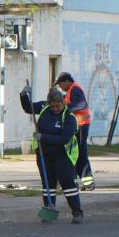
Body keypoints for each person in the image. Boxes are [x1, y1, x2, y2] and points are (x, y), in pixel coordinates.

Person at [21, 84, 85, 224]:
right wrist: (23, 95)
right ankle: (49, 210)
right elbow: (28, 108)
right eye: (53, 106)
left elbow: (64, 139)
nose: (55, 109)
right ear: (48, 104)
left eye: (58, 106)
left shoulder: (69, 117)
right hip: (44, 155)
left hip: (63, 156)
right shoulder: (44, 107)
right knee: (48, 184)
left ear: (63, 102)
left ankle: (77, 212)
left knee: (67, 183)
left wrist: (43, 137)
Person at [57, 71, 94, 190]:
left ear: (67, 81)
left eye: (60, 84)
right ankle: (80, 182)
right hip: (78, 126)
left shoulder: (74, 88)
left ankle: (86, 183)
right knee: (75, 154)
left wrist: (67, 109)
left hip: (81, 125)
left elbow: (82, 103)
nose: (60, 87)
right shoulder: (70, 91)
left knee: (79, 154)